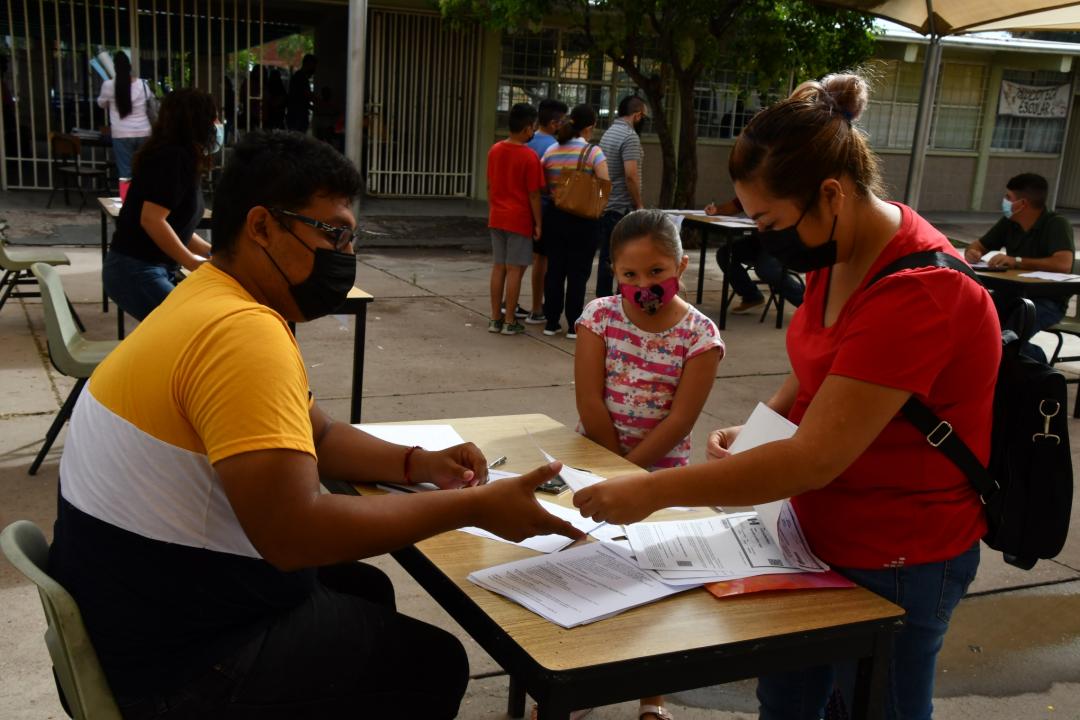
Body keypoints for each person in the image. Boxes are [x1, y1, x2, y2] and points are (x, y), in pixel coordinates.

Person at [49, 129, 581, 720]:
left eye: (351, 237)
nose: (344, 255)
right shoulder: (240, 333)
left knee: (366, 590)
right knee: (433, 663)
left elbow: (319, 435)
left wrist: (417, 463)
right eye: (332, 233)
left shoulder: (205, 296)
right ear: (260, 226)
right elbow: (294, 534)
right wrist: (475, 507)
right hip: (177, 669)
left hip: (136, 613)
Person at [573, 73, 1000, 720]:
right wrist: (763, 424)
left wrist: (651, 490)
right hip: (808, 535)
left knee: (872, 706)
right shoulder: (839, 250)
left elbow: (814, 458)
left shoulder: (918, 293)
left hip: (899, 552)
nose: (763, 236)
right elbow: (814, 370)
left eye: (770, 220)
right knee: (790, 699)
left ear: (831, 195)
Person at [102, 88, 222, 321]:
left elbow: (176, 229)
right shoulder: (173, 158)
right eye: (213, 117)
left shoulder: (178, 156)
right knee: (192, 328)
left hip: (148, 268)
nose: (217, 124)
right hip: (136, 270)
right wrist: (191, 261)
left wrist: (211, 252)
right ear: (198, 121)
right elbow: (152, 220)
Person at [963, 172, 1075, 362]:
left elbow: (1063, 264)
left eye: (1009, 198)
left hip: (1046, 301)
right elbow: (978, 246)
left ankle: (1041, 369)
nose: (1004, 202)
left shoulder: (1056, 224)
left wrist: (1017, 261)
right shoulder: (1009, 222)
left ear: (1022, 204)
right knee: (973, 317)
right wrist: (972, 253)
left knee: (1009, 339)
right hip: (1011, 295)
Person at [540, 104, 609, 339]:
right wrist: (598, 204)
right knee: (578, 273)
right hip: (584, 221)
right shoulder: (593, 153)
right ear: (590, 126)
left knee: (555, 270)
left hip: (555, 217)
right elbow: (604, 184)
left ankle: (550, 321)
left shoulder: (550, 151)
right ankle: (573, 323)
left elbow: (544, 184)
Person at [487, 102, 544, 335]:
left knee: (498, 267)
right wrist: (538, 223)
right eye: (534, 128)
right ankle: (510, 319)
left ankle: (495, 318)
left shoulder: (495, 150)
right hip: (519, 218)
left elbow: (489, 185)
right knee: (514, 270)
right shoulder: (529, 157)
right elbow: (534, 194)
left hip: (497, 216)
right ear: (528, 128)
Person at [705, 197, 805, 313]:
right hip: (762, 238)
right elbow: (736, 205)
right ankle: (751, 296)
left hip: (784, 239)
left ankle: (808, 306)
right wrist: (717, 210)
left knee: (767, 269)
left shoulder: (782, 186)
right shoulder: (753, 186)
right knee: (725, 254)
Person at [596, 95, 648, 297]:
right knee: (624, 260)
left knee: (606, 258)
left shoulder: (608, 133)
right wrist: (639, 205)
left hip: (607, 205)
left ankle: (601, 302)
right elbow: (631, 176)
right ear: (637, 115)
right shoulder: (630, 137)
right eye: (643, 116)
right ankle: (621, 303)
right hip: (622, 208)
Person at [523, 98, 569, 325]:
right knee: (543, 259)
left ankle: (508, 301)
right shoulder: (555, 147)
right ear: (554, 123)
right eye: (563, 121)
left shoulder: (525, 141)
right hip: (544, 208)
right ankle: (536, 307)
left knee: (518, 259)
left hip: (521, 207)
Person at [96, 50, 153, 179]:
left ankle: (127, 198)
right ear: (130, 67)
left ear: (115, 68)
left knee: (125, 173)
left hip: (121, 134)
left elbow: (101, 104)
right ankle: (143, 198)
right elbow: (149, 100)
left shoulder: (109, 85)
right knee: (143, 171)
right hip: (144, 132)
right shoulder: (143, 85)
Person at [286, 53, 317, 133]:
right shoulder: (301, 77)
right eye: (313, 66)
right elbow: (307, 96)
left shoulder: (298, 76)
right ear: (308, 64)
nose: (314, 69)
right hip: (298, 118)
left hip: (295, 116)